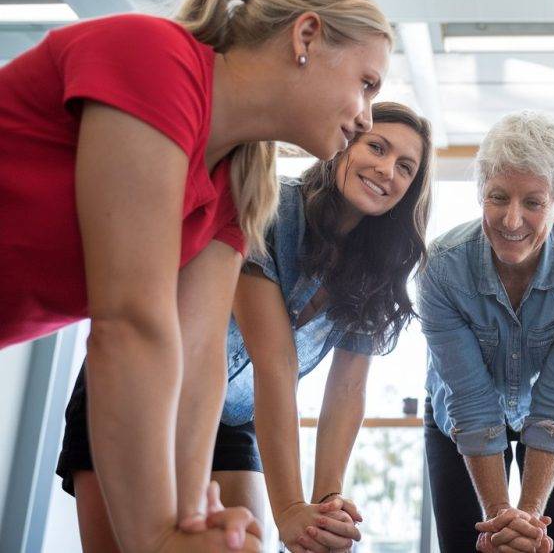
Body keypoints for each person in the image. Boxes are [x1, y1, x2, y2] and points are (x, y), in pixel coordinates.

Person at [0, 0, 392, 549]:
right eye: (366, 83)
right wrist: (158, 535)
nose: (365, 117)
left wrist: (189, 517)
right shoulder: (155, 60)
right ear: (306, 36)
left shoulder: (236, 183)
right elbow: (131, 324)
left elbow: (197, 355)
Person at [57, 102, 434, 553]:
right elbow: (274, 360)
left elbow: (347, 389)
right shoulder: (268, 205)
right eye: (377, 146)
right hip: (140, 391)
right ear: (344, 145)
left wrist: (326, 501)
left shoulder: (376, 270)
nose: (386, 169)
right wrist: (291, 506)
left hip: (230, 419)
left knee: (248, 545)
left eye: (405, 167)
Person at [416, 111, 554, 553]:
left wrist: (528, 521)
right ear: (480, 195)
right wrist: (500, 522)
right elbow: (470, 400)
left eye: (533, 202)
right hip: (460, 416)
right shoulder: (442, 268)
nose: (511, 220)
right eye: (498, 197)